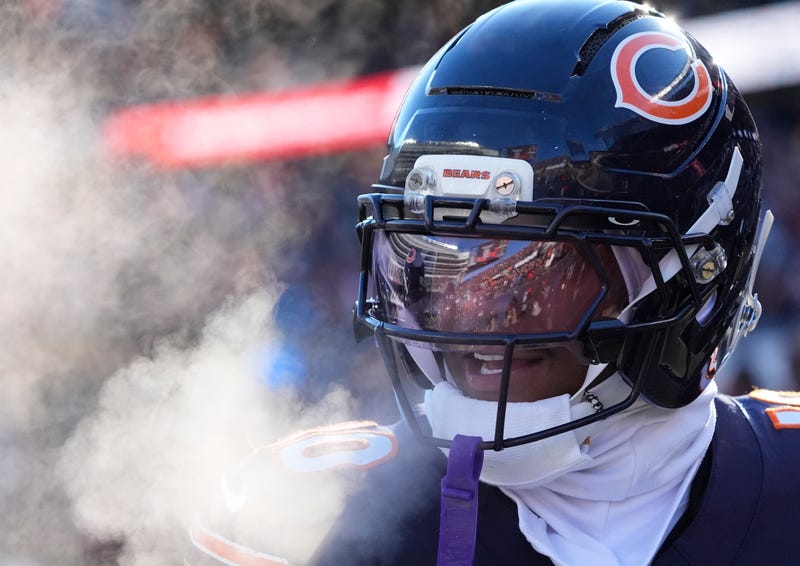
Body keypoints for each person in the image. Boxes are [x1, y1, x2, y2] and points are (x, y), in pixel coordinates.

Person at [186, 1, 800, 565]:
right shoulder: (308, 518)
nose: (473, 303)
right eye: (435, 255)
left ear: (694, 274)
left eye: (538, 261)